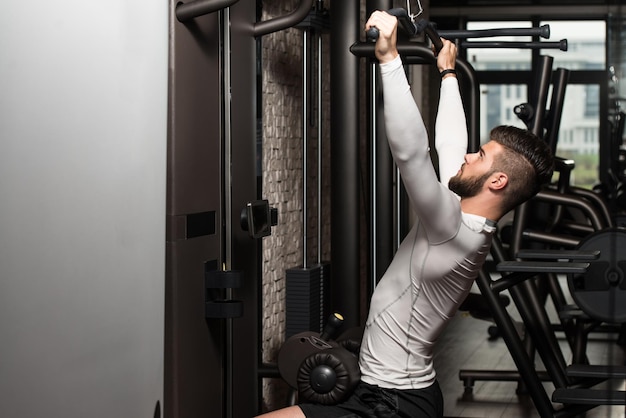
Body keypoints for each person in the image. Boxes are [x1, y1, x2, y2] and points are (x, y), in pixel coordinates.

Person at [258, 10, 554, 418]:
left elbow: (413, 154)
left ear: (498, 181)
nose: (470, 156)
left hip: (392, 403)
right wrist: (448, 75)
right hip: (397, 390)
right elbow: (450, 144)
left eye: (482, 156)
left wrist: (389, 60)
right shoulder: (465, 219)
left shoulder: (452, 231)